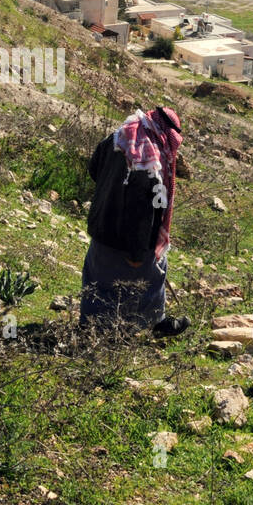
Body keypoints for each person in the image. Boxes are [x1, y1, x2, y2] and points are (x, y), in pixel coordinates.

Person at [79, 105, 190, 337]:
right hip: (130, 238)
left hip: (102, 226)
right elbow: (141, 212)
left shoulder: (119, 136)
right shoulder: (152, 161)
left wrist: (109, 193)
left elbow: (94, 169)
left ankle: (89, 329)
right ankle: (153, 324)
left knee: (98, 280)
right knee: (152, 276)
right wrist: (138, 253)